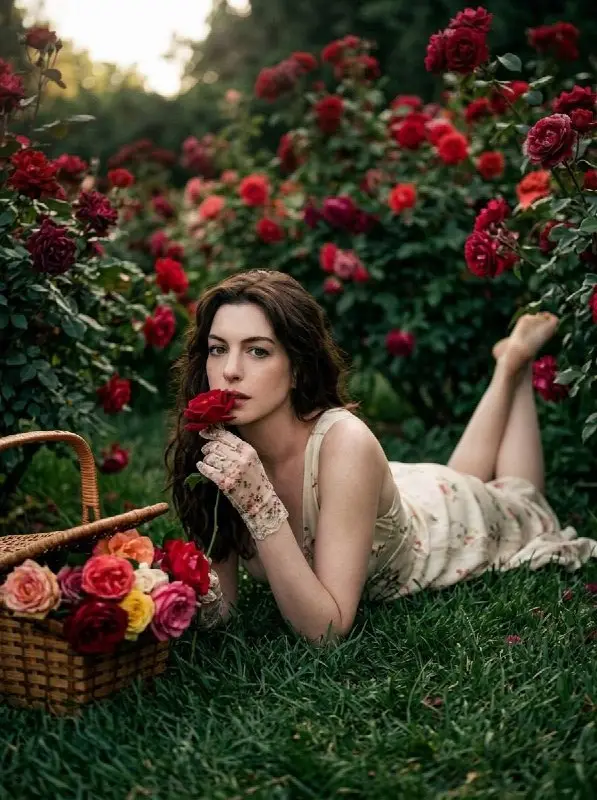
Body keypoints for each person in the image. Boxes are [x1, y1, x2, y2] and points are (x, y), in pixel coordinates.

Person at [166, 269, 597, 643]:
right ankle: (509, 367)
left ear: (297, 367)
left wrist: (258, 502)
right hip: (388, 492)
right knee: (455, 473)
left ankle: (513, 367)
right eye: (218, 348)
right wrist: (156, 596)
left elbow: (325, 634)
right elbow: (221, 612)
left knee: (519, 498)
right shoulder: (218, 444)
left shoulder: (345, 443)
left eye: (258, 350)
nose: (230, 370)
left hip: (446, 526)